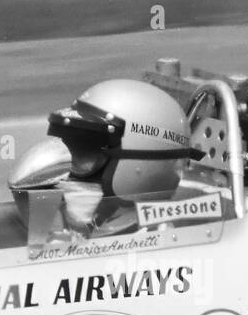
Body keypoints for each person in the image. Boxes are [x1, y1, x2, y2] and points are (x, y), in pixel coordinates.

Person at [11, 79, 202, 237]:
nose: (69, 169)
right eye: (73, 146)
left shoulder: (177, 242)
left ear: (140, 166)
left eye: (87, 151)